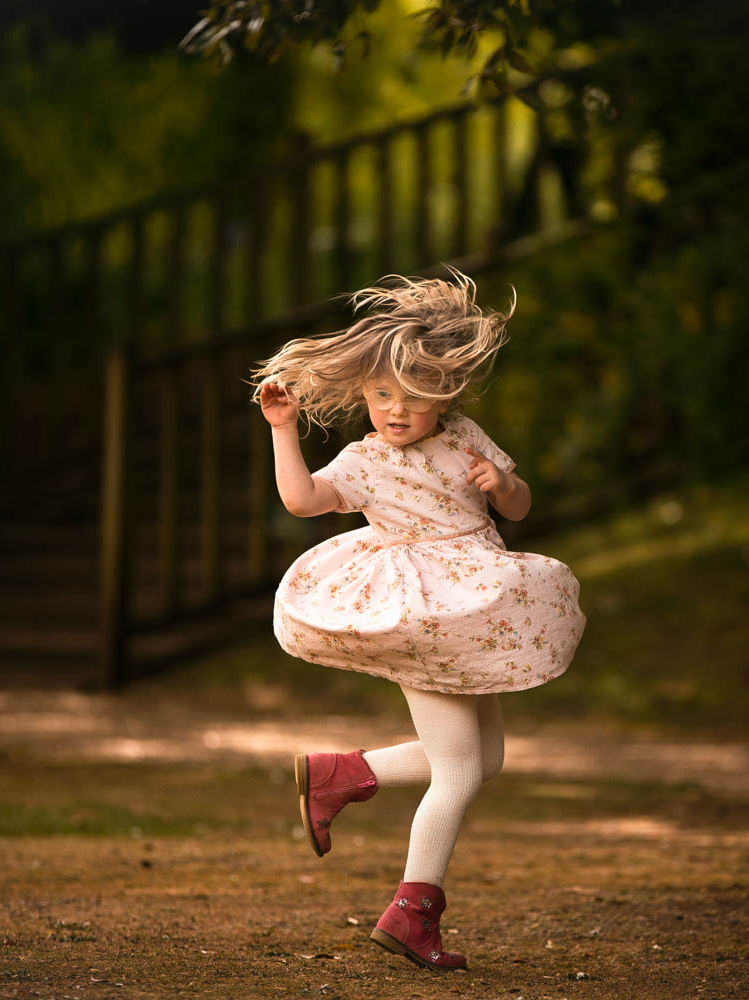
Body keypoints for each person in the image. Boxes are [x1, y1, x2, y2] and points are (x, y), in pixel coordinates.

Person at [251, 270, 586, 972]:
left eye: (412, 398)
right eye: (380, 397)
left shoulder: (465, 437)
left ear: (448, 395)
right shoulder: (367, 461)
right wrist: (284, 431)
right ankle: (412, 913)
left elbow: (518, 510)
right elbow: (304, 500)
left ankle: (342, 775)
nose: (394, 412)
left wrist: (506, 485)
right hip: (423, 612)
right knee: (460, 770)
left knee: (485, 760)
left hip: (476, 607)